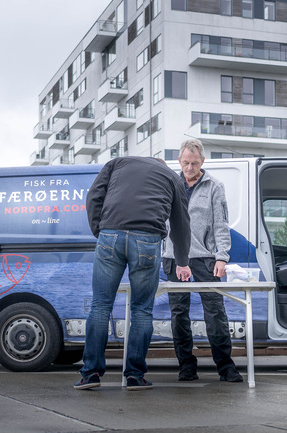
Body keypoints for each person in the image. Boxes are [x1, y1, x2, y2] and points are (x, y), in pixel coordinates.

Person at [75, 156, 191, 391]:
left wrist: (100, 230)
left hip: (111, 234)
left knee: (100, 306)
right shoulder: (172, 177)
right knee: (141, 310)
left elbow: (93, 196)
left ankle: (91, 374)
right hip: (147, 239)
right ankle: (135, 376)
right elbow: (181, 223)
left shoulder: (118, 163)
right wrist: (182, 261)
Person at [162, 139, 243, 383]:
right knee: (179, 314)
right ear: (179, 161)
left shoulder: (214, 186)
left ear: (203, 162)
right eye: (185, 163)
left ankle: (225, 367)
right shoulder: (169, 185)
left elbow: (221, 224)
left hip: (205, 259)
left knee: (215, 312)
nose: (189, 167)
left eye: (194, 163)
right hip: (173, 258)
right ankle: (186, 366)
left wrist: (222, 256)